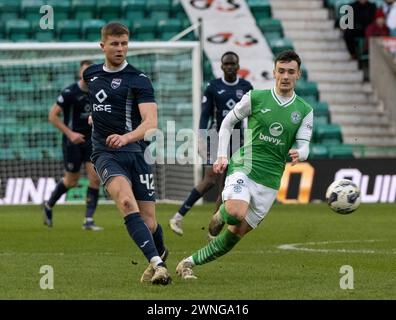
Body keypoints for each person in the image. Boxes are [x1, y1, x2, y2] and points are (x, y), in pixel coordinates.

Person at [176, 50, 313, 280]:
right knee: (235, 212)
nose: (285, 76)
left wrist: (300, 153)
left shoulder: (304, 110)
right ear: (274, 72)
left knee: (234, 235)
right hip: (245, 165)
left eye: (291, 71)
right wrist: (221, 155)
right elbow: (228, 122)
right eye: (281, 71)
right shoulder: (256, 97)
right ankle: (221, 213)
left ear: (298, 74)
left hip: (270, 179)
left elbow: (305, 144)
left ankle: (187, 263)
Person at [82, 22, 171, 285]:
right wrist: (94, 119)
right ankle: (158, 265)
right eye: (115, 44)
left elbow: (151, 123)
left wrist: (126, 137)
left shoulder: (138, 79)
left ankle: (161, 252)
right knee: (125, 203)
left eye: (124, 44)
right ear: (103, 46)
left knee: (149, 223)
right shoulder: (91, 74)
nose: (120, 49)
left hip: (137, 152)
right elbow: (98, 103)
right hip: (105, 153)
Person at [169, 52, 253, 236]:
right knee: (210, 180)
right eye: (227, 64)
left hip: (237, 139)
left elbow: (251, 115)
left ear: (238, 66)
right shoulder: (213, 87)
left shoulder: (246, 87)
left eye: (233, 63)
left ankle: (213, 231)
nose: (230, 66)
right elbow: (205, 114)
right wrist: (200, 137)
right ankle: (178, 217)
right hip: (216, 137)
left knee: (226, 187)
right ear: (222, 66)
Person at [43, 60, 103, 231]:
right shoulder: (70, 92)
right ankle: (49, 204)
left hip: (91, 140)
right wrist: (70, 134)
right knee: (71, 181)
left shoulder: (98, 92)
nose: (86, 75)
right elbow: (52, 116)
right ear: (79, 73)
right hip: (72, 141)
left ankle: (88, 220)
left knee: (95, 179)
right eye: (84, 71)